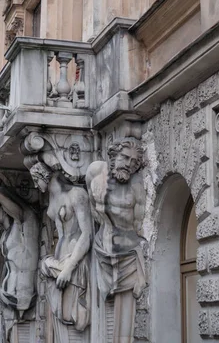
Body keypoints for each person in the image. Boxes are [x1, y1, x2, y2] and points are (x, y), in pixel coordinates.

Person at [86, 138, 146, 343]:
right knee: (103, 311)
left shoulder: (137, 184)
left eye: (134, 161)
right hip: (103, 249)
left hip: (127, 254)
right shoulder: (96, 173)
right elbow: (92, 205)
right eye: (125, 157)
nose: (129, 164)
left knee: (125, 313)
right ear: (113, 156)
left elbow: (139, 225)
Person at [30, 162, 92, 337]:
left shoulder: (77, 195)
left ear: (45, 176)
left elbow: (86, 234)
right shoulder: (52, 202)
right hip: (59, 260)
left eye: (36, 179)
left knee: (73, 318)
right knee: (60, 318)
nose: (35, 185)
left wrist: (69, 267)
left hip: (75, 259)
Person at [0, 186, 39, 316]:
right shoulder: (5, 234)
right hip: (7, 291)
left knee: (18, 332)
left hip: (22, 292)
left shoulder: (24, 222)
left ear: (2, 210)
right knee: (8, 333)